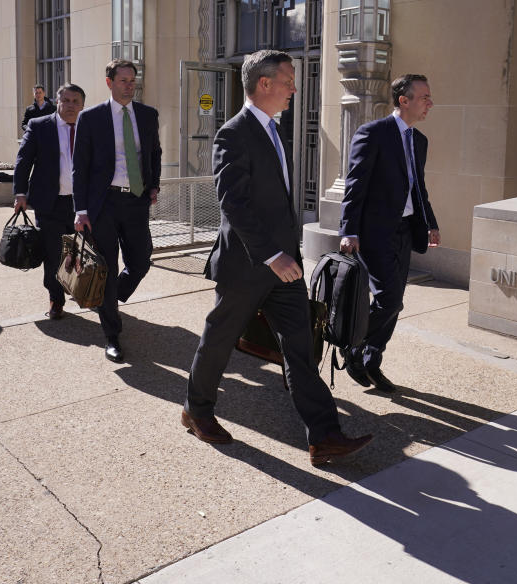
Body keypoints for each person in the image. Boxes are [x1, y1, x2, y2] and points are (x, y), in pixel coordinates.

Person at [184, 49, 372, 466]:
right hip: (249, 265)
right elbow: (233, 204)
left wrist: (289, 255)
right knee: (219, 337)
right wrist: (271, 255)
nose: (294, 88)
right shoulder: (233, 133)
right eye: (288, 80)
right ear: (264, 84)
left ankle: (324, 436)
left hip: (284, 264)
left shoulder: (274, 131)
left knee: (301, 347)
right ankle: (196, 411)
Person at [338, 74, 440, 393]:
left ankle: (371, 360)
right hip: (374, 232)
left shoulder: (419, 140)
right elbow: (356, 185)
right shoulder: (373, 133)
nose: (429, 103)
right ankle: (352, 346)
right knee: (389, 299)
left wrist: (430, 222)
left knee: (395, 302)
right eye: (423, 97)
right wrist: (349, 230)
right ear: (403, 101)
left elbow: (418, 188)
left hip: (406, 230)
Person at [72, 59, 161, 363]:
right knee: (106, 269)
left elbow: (154, 153)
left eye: (132, 80)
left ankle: (108, 299)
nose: (129, 85)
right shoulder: (91, 118)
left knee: (140, 260)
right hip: (104, 204)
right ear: (109, 83)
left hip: (136, 201)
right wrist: (80, 209)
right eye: (123, 80)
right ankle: (112, 334)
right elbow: (79, 167)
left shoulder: (148, 115)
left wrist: (154, 185)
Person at [13, 84, 86, 320]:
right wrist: (20, 194)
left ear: (82, 105)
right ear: (57, 102)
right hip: (50, 203)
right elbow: (23, 162)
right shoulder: (39, 126)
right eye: (66, 100)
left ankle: (81, 288)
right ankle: (56, 298)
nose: (71, 105)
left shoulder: (90, 127)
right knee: (52, 253)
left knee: (80, 252)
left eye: (76, 101)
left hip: (82, 204)